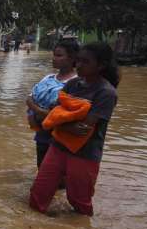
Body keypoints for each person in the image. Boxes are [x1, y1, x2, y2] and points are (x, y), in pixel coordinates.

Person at [30, 42, 120, 216]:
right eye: (78, 60)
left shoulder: (106, 93)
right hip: (57, 146)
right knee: (38, 194)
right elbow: (55, 113)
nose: (78, 65)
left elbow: (84, 128)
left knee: (80, 203)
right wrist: (61, 122)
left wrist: (55, 121)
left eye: (85, 62)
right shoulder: (73, 84)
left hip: (85, 154)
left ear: (100, 65)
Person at [26, 40, 79, 168]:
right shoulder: (48, 78)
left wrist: (36, 108)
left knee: (57, 175)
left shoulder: (76, 83)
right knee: (42, 170)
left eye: (59, 55)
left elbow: (60, 113)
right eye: (54, 54)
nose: (54, 58)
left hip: (61, 137)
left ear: (72, 58)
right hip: (42, 134)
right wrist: (39, 110)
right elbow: (29, 98)